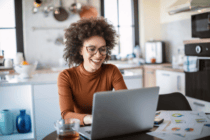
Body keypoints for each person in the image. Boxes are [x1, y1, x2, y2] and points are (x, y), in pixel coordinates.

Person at [57, 17, 127, 126]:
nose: (98, 55)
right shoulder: (66, 76)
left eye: (102, 49)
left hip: (107, 125)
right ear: (80, 50)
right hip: (80, 130)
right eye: (91, 49)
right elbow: (66, 115)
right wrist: (91, 119)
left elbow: (125, 103)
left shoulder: (111, 71)